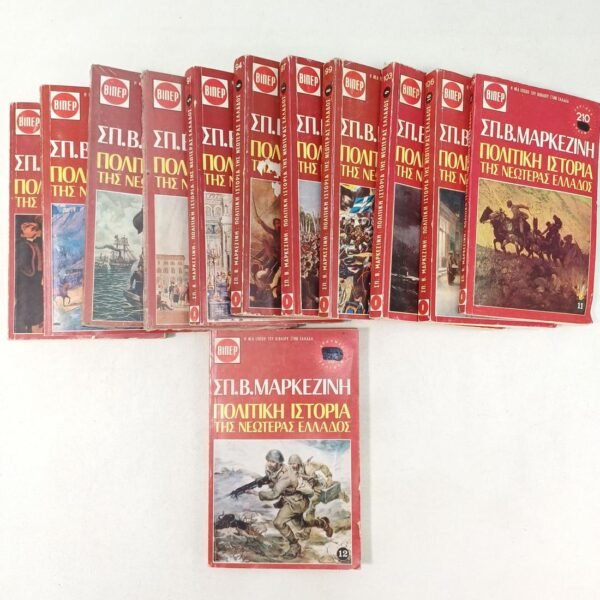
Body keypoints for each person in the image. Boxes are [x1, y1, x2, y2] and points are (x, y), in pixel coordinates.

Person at [257, 449, 312, 559]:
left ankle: (295, 546)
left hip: (296, 503)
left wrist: (258, 494)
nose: (269, 464)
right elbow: (273, 478)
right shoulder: (276, 469)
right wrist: (263, 481)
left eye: (272, 462)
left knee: (278, 523)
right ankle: (318, 524)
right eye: (268, 461)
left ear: (279, 463)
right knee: (300, 525)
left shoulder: (286, 475)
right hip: (291, 500)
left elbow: (274, 494)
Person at [14, 220, 43, 333]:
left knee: (34, 301)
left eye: (35, 229)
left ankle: (31, 324)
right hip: (25, 280)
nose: (35, 231)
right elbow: (21, 263)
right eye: (32, 229)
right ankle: (21, 326)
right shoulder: (22, 245)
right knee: (24, 301)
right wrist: (31, 274)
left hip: (36, 279)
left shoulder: (36, 243)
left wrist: (38, 275)